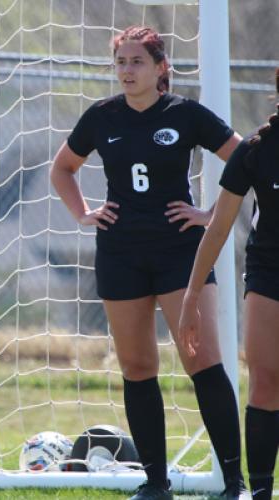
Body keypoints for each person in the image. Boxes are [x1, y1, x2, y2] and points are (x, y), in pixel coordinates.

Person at [50, 25, 247, 500]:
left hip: (181, 252)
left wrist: (207, 214)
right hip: (120, 254)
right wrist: (83, 214)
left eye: (136, 62)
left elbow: (243, 160)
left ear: (161, 68)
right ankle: (155, 483)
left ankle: (235, 483)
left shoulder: (186, 114)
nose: (126, 71)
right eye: (120, 62)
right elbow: (62, 169)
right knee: (137, 366)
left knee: (202, 360)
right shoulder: (101, 117)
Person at [179, 68, 279, 500]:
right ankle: (259, 491)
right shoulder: (256, 149)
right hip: (268, 270)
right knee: (265, 379)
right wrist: (191, 294)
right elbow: (218, 228)